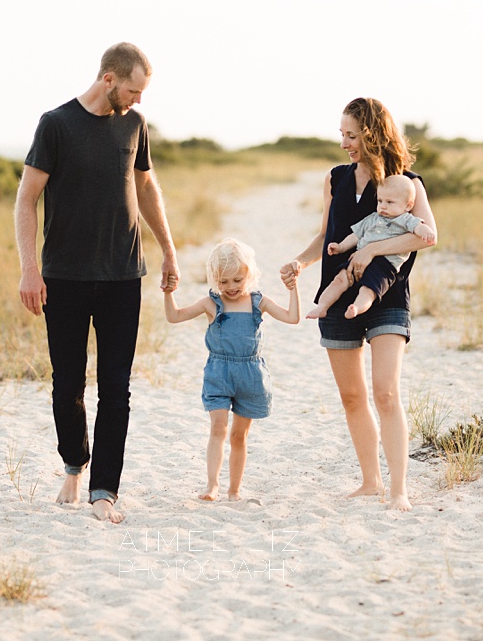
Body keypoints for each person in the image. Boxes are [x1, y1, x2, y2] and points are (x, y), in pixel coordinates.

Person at [14, 42, 179, 524]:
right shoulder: (56, 124)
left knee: (116, 387)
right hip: (63, 276)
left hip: (124, 275)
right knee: (67, 384)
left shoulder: (134, 124)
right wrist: (29, 268)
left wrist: (168, 249)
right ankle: (74, 463)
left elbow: (145, 186)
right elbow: (26, 200)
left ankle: (104, 488)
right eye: (133, 89)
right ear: (108, 79)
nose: (138, 99)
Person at [280, 98, 437, 512]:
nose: (344, 143)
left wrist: (372, 252)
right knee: (352, 396)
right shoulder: (335, 178)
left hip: (386, 295)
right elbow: (325, 235)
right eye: (342, 135)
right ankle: (371, 482)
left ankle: (399, 489)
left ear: (372, 134)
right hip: (336, 294)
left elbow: (426, 235)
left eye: (351, 135)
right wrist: (300, 261)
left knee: (386, 392)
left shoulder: (407, 182)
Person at [162, 238, 301, 501]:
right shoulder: (211, 303)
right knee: (218, 427)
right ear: (214, 278)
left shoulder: (258, 302)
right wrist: (168, 292)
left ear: (249, 274)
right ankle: (212, 485)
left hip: (250, 375)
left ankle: (234, 490)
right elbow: (175, 316)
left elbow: (292, 317)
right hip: (219, 373)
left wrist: (293, 289)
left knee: (239, 436)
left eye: (237, 280)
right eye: (223, 282)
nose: (231, 287)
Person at [307, 174, 436, 320]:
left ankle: (357, 307)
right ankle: (322, 307)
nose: (383, 206)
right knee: (339, 280)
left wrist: (426, 232)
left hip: (384, 265)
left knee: (368, 290)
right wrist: (341, 247)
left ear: (408, 205)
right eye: (380, 201)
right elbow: (356, 236)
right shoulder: (373, 218)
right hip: (357, 259)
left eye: (390, 202)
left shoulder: (406, 220)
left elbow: (419, 228)